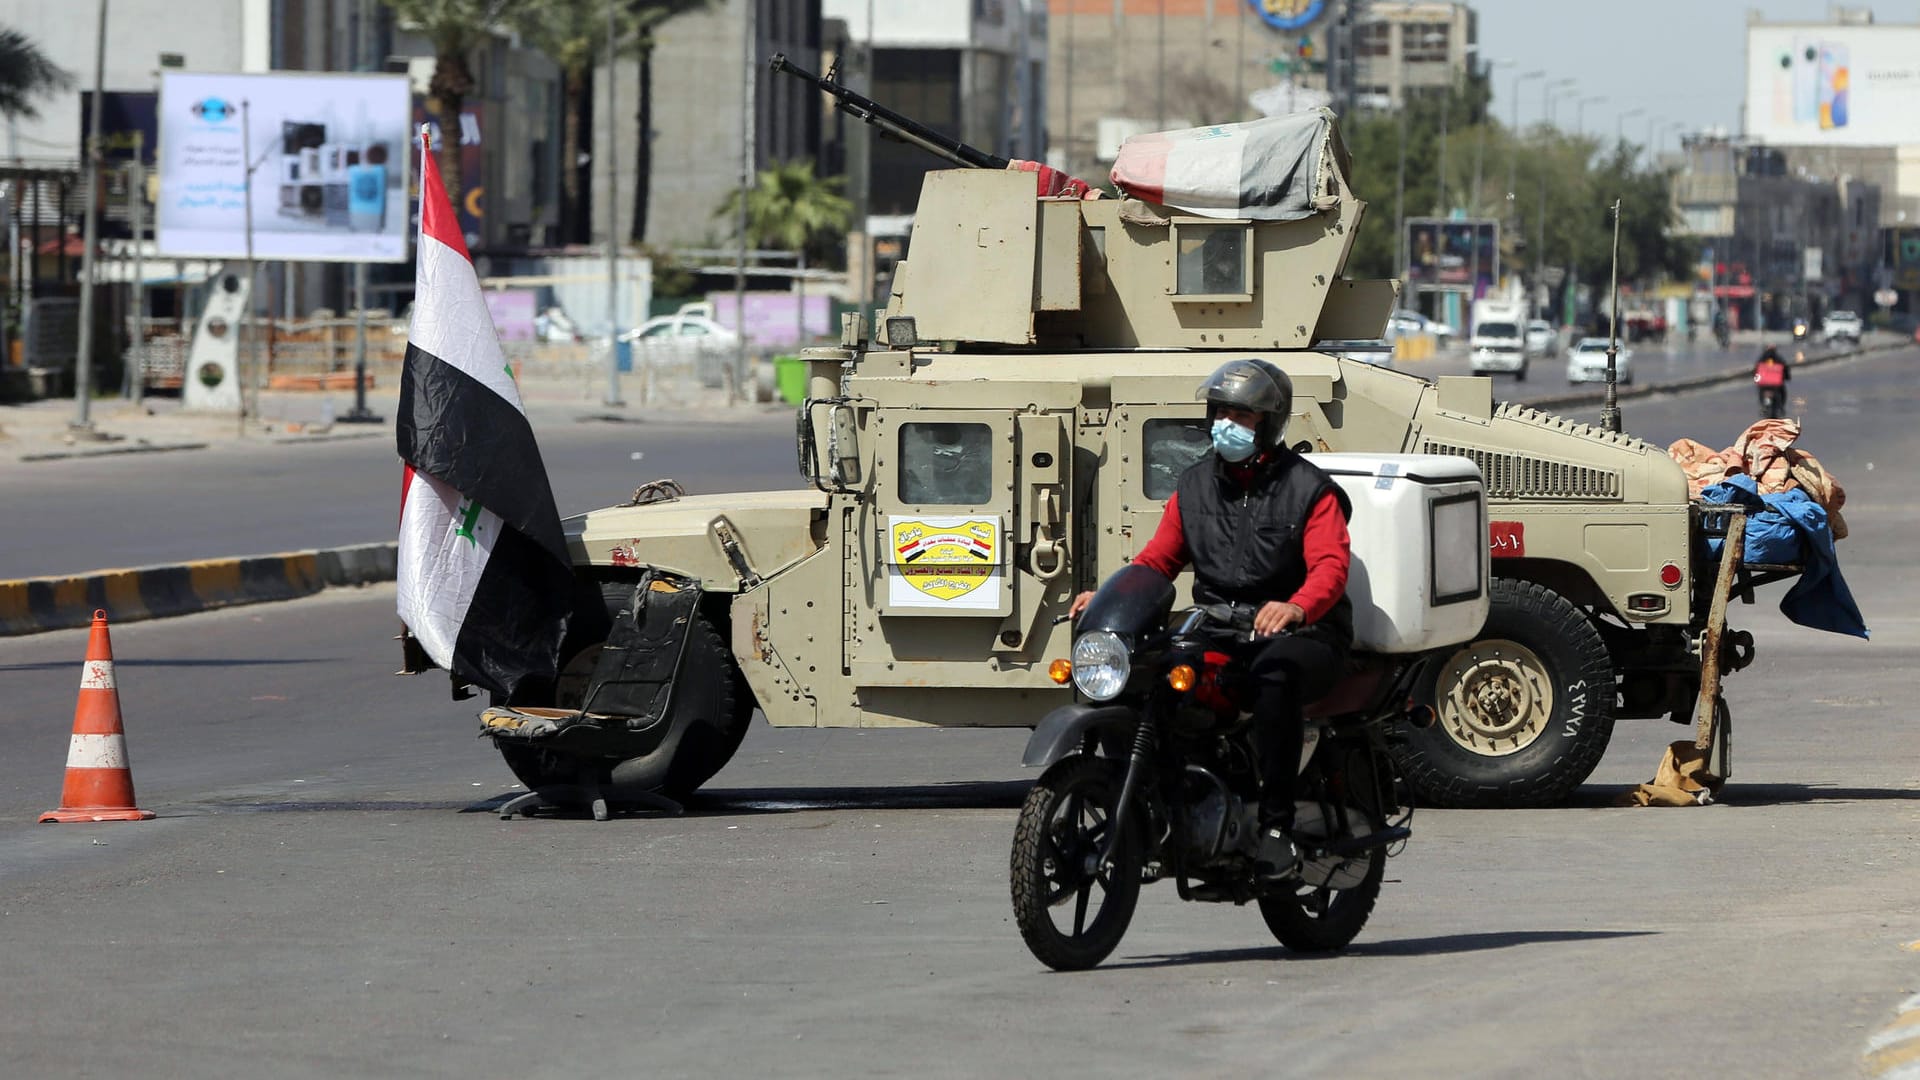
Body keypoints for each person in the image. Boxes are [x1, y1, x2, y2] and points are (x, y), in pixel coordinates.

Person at [1067, 359, 1353, 881]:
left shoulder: (1309, 489)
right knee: (1141, 675)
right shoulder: (1194, 486)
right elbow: (1157, 560)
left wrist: (1296, 606)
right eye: (1221, 412)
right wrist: (1109, 595)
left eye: (1242, 416)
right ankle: (1156, 803)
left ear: (1269, 423)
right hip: (1220, 627)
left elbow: (1331, 567)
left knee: (1274, 678)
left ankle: (1276, 826)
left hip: (1305, 631)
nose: (1228, 424)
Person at [1753, 345, 1791, 418]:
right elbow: (1785, 369)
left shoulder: (1762, 359)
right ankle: (1780, 407)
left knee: (1760, 391)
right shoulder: (1779, 358)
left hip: (1764, 384)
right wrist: (1787, 377)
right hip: (1776, 385)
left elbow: (1755, 370)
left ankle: (1764, 406)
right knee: (1782, 392)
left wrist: (1756, 379)